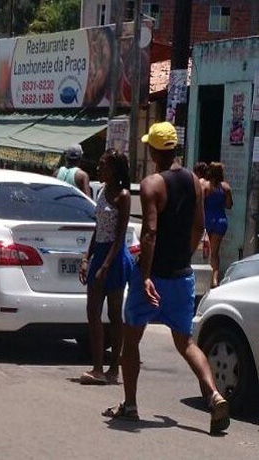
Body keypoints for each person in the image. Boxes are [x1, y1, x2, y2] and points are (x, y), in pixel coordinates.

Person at [103, 122, 229, 434]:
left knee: (131, 340)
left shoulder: (151, 184)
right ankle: (214, 396)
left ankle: (130, 405)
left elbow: (150, 233)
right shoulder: (195, 182)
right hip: (181, 275)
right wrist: (183, 257)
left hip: (154, 274)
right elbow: (199, 226)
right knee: (185, 342)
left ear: (154, 150)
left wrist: (145, 275)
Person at [78, 149, 133, 385]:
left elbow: (119, 237)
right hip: (99, 251)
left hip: (115, 255)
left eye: (103, 165)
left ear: (115, 169)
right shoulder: (100, 192)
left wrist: (105, 266)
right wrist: (86, 258)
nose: (99, 169)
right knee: (92, 310)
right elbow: (98, 228)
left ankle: (112, 368)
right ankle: (98, 366)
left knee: (113, 313)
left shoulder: (123, 196)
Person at [203, 162, 233, 287]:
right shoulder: (225, 187)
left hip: (207, 220)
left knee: (204, 251)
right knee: (215, 252)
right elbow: (229, 205)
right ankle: (214, 280)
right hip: (220, 220)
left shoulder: (205, 186)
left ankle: (203, 278)